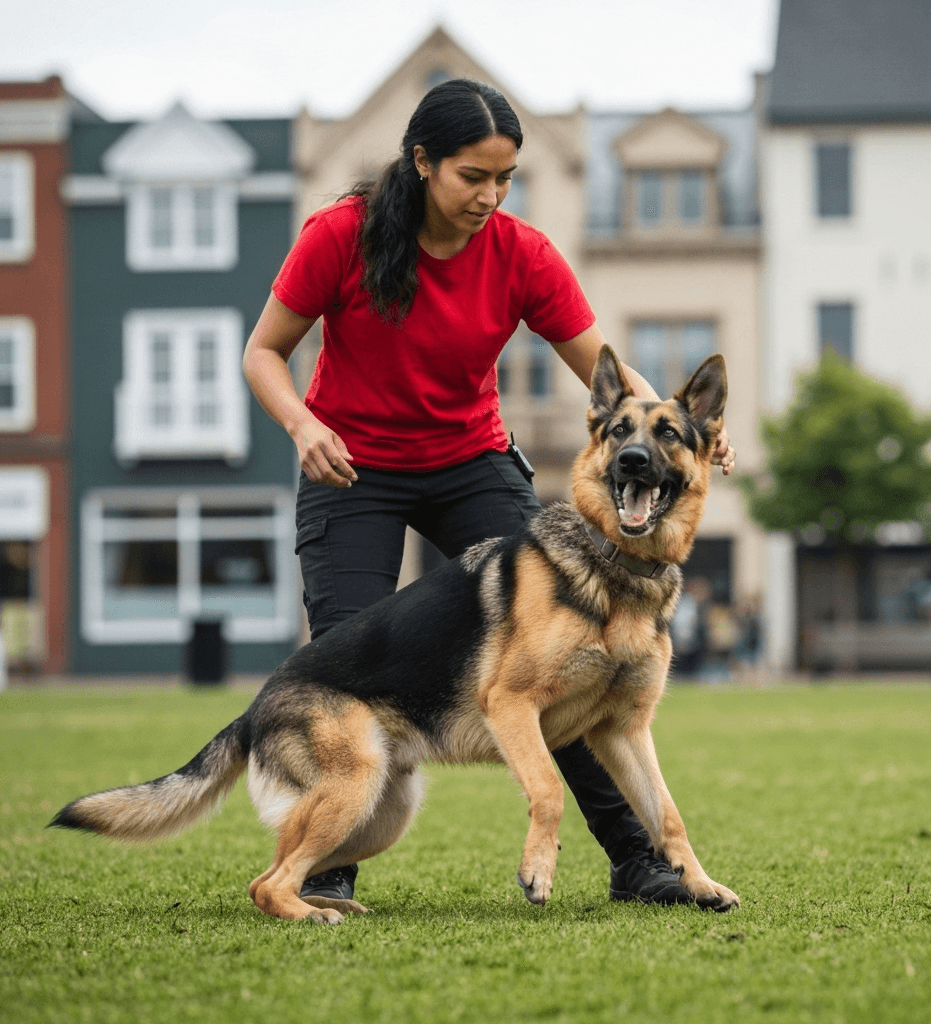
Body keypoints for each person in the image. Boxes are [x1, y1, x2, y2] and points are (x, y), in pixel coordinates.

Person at [242, 78, 735, 906]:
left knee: (561, 651)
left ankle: (639, 863)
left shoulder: (522, 253)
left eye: (505, 178)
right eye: (474, 175)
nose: (491, 195)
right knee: (350, 656)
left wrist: (685, 433)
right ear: (423, 161)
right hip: (352, 466)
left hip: (469, 457)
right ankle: (323, 871)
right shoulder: (341, 237)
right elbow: (264, 352)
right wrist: (302, 425)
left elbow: (611, 380)